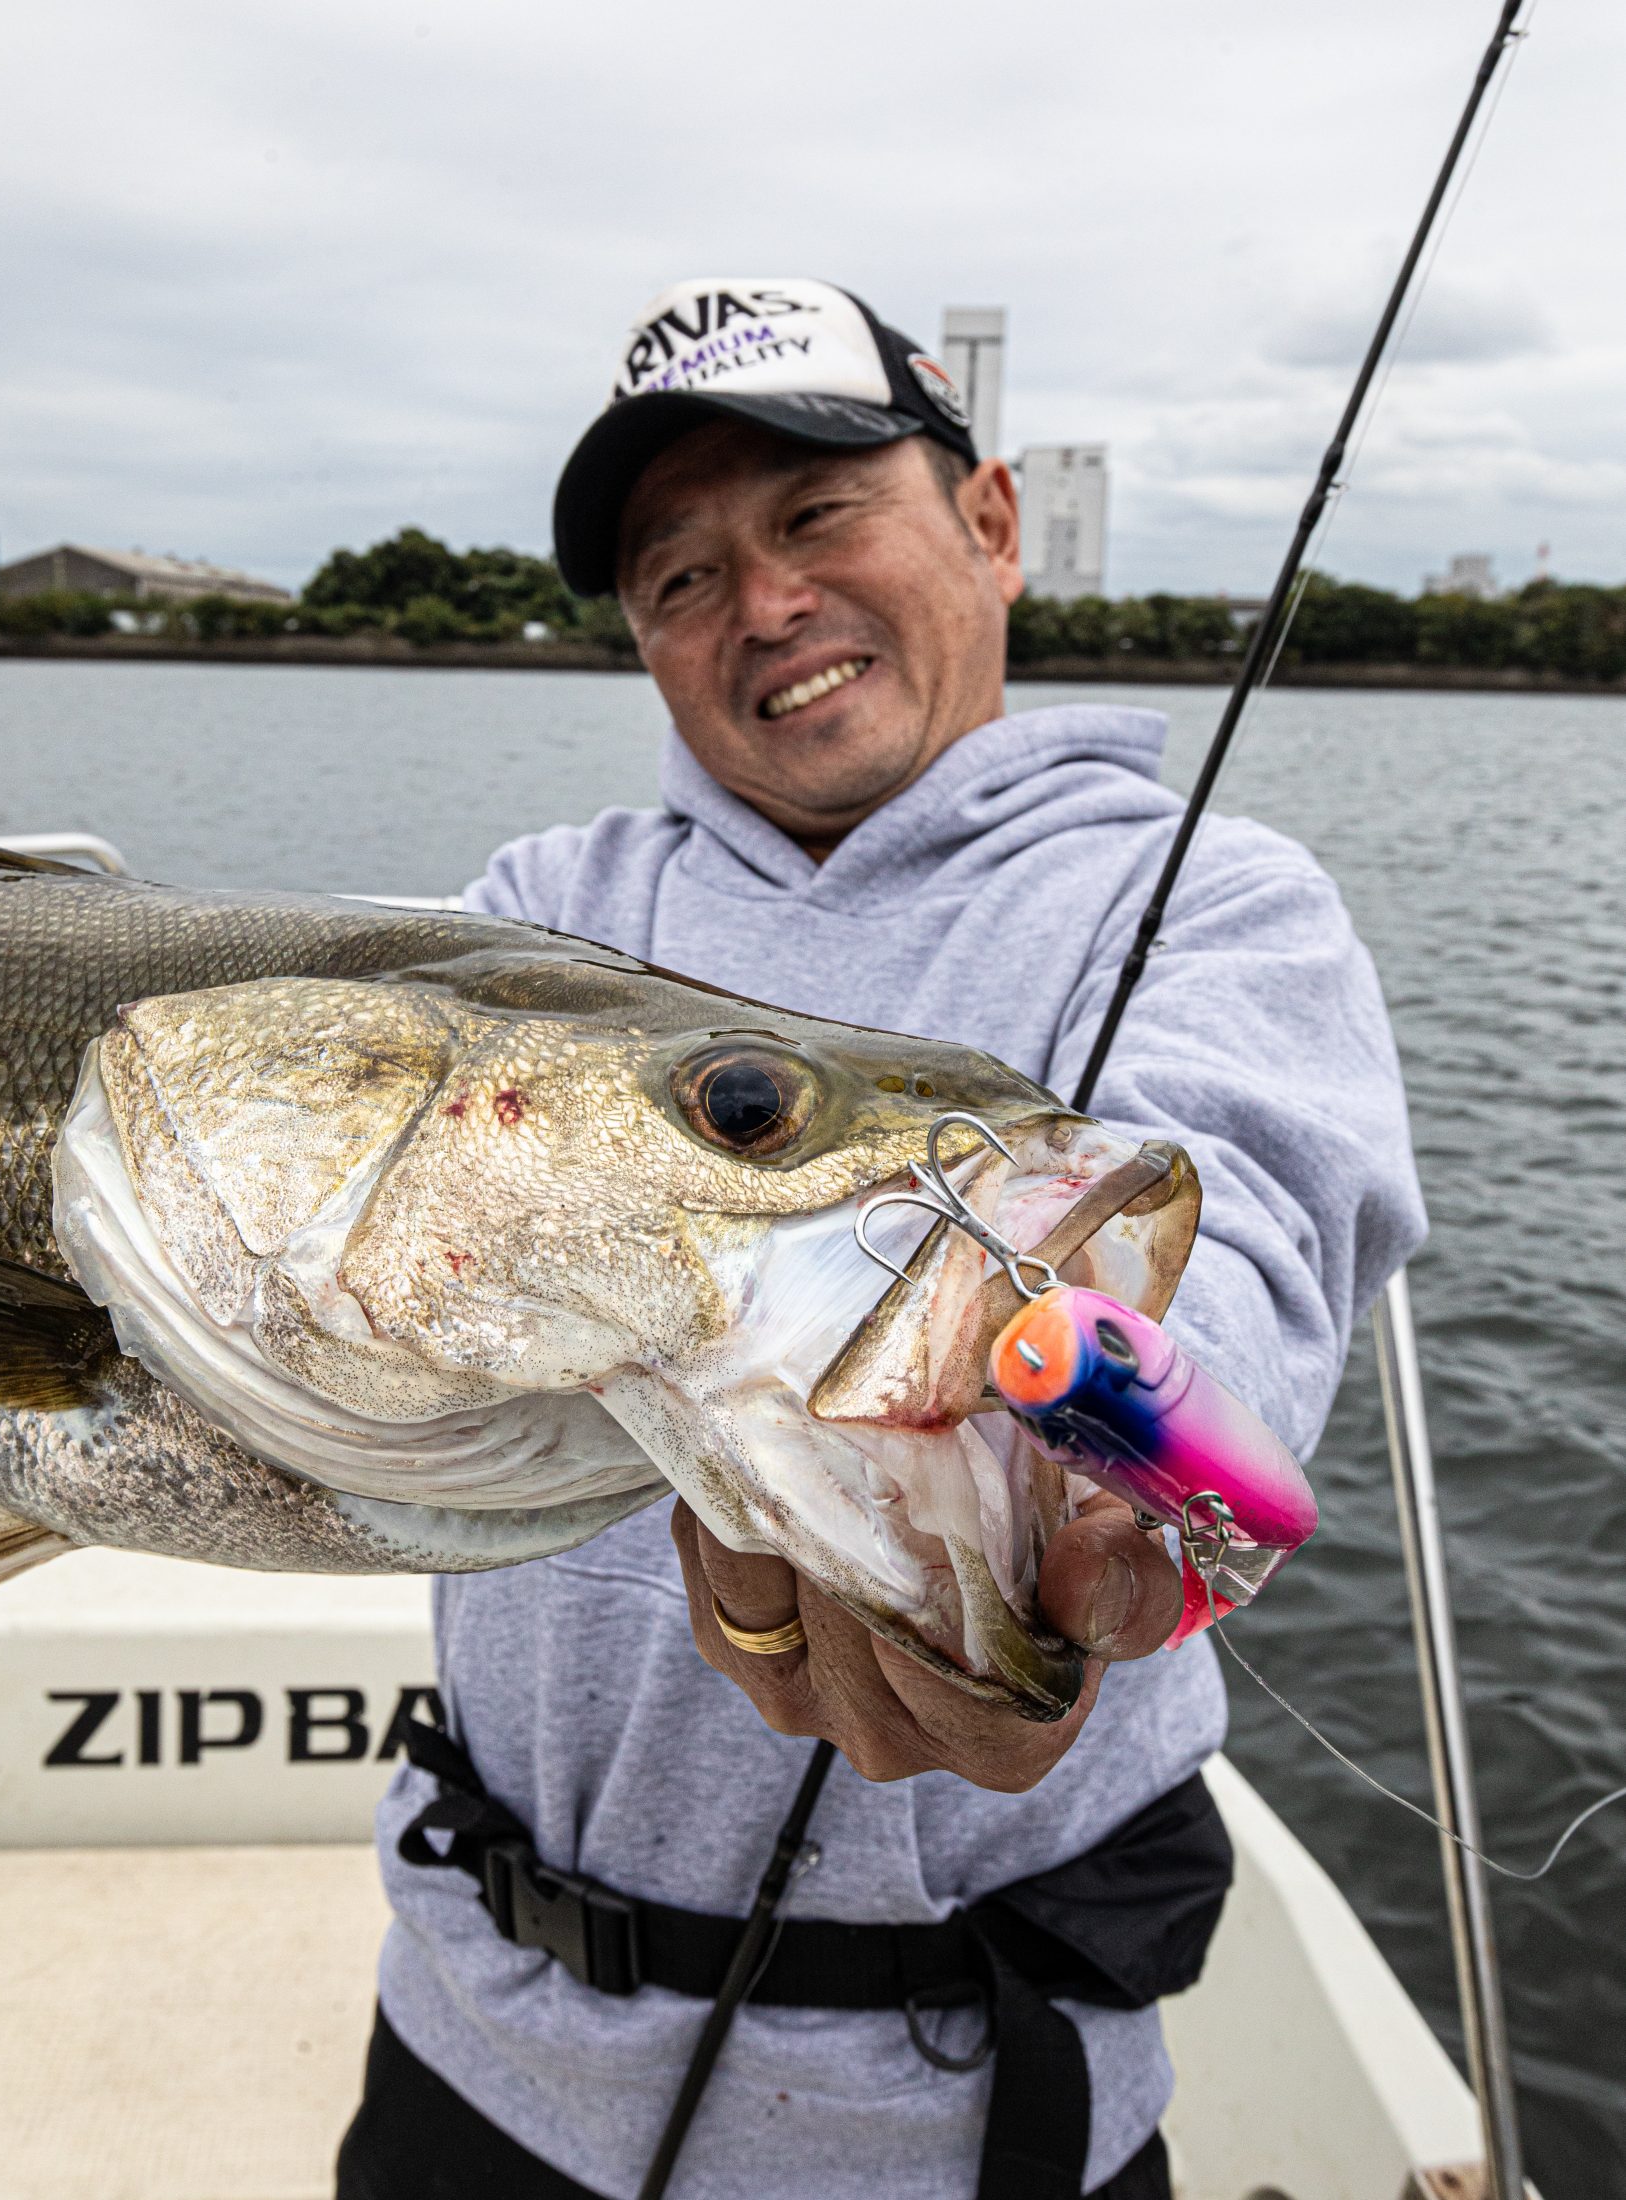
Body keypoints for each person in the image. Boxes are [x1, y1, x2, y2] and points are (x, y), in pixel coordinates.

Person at [338, 277, 1425, 2200]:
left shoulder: (1218, 906)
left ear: (989, 525)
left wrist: (1115, 1504)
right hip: (470, 2043)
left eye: (816, 516)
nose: (760, 607)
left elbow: (1231, 1253)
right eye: (677, 576)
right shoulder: (533, 912)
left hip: (948, 2114)